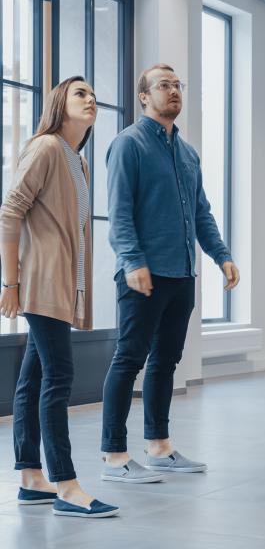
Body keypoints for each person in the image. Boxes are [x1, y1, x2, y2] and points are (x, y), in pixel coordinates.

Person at [101, 63, 240, 483]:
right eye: (164, 85)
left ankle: (159, 447)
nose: (173, 91)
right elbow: (119, 213)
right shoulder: (128, 145)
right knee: (129, 360)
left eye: (178, 84)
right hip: (143, 274)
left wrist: (221, 255)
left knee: (166, 360)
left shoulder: (188, 153)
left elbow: (200, 213)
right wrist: (132, 261)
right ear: (144, 96)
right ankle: (113, 456)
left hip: (182, 274)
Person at [0, 77, 119, 517]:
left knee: (34, 377)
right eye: (80, 94)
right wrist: (9, 282)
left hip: (62, 285)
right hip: (41, 281)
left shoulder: (77, 161)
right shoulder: (47, 148)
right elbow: (11, 210)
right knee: (59, 377)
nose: (91, 99)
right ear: (59, 104)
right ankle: (67, 485)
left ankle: (31, 478)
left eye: (93, 94)